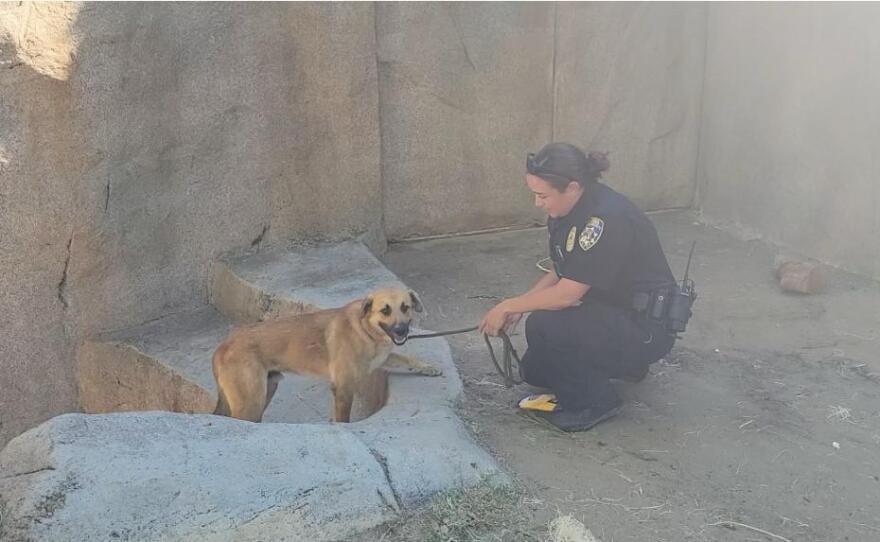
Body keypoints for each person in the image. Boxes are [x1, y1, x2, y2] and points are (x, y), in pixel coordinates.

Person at [479, 142, 679, 432]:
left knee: (549, 325)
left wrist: (509, 305)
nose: (538, 203)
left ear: (572, 187)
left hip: (645, 328)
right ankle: (621, 367)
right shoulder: (570, 210)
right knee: (536, 368)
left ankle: (595, 402)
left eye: (542, 195)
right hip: (615, 311)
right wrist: (523, 302)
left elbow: (567, 294)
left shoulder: (607, 220)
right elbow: (562, 270)